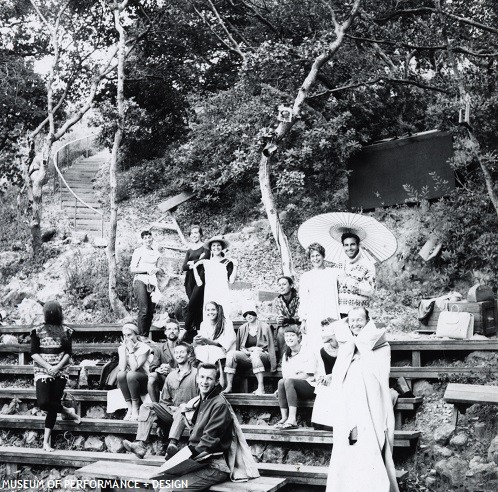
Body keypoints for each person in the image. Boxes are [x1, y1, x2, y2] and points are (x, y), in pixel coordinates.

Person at [326, 307, 398, 492]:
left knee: (369, 441)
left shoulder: (380, 344)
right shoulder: (346, 345)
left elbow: (381, 374)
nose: (355, 324)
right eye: (352, 320)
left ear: (367, 321)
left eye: (360, 320)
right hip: (349, 405)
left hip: (371, 403)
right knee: (347, 443)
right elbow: (339, 372)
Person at [158, 363, 259, 492]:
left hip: (214, 466)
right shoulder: (198, 401)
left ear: (216, 382)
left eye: (209, 378)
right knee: (159, 483)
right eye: (202, 377)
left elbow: (208, 443)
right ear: (197, 379)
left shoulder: (219, 405)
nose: (204, 382)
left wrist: (183, 457)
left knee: (170, 489)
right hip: (198, 462)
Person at [122, 342, 197, 459]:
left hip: (191, 413)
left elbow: (202, 399)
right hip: (173, 412)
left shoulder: (197, 374)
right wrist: (161, 423)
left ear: (189, 354)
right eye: (176, 352)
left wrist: (188, 407)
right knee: (147, 406)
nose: (179, 355)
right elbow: (165, 402)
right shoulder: (171, 376)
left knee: (182, 409)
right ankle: (141, 445)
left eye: (182, 352)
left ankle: (172, 445)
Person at [30, 300, 80, 452]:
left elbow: (68, 354)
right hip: (42, 371)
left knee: (52, 405)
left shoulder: (66, 331)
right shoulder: (37, 331)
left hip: (60, 371)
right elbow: (34, 353)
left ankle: (46, 443)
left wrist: (57, 367)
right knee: (44, 403)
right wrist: (48, 367)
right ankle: (68, 411)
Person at [274, 326, 322, 430]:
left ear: (299, 337)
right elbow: (285, 376)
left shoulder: (308, 351)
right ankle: (284, 418)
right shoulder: (286, 355)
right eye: (286, 336)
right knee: (281, 382)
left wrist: (294, 376)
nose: (289, 338)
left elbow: (308, 374)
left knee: (289, 381)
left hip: (311, 385)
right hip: (293, 386)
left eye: (292, 335)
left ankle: (292, 419)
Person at [224, 307, 277, 395]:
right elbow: (238, 347)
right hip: (247, 355)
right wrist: (244, 351)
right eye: (246, 315)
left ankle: (261, 387)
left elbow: (271, 346)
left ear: (256, 315)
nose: (249, 316)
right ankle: (229, 386)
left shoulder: (265, 327)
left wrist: (273, 365)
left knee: (255, 355)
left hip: (263, 355)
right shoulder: (242, 328)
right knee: (231, 354)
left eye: (251, 314)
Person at [298, 243, 339, 352]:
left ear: (323, 256)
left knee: (330, 344)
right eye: (312, 256)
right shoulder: (306, 277)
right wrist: (303, 320)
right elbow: (303, 299)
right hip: (313, 315)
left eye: (318, 255)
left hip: (330, 312)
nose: (315, 259)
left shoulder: (333, 273)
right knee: (314, 344)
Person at [331, 232, 376, 317]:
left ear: (358, 245)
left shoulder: (368, 265)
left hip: (359, 313)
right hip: (339, 313)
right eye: (346, 245)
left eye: (352, 244)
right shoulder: (338, 265)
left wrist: (346, 280)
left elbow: (370, 290)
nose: (349, 248)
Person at [193, 235, 238, 316]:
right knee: (210, 315)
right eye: (213, 245)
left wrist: (235, 266)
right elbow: (199, 283)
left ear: (222, 247)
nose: (216, 248)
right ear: (210, 248)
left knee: (223, 314)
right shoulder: (206, 263)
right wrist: (194, 268)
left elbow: (231, 281)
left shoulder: (227, 262)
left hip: (222, 292)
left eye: (218, 245)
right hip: (209, 293)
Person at [130, 230, 162, 336]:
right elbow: (132, 269)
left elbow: (159, 268)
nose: (148, 239)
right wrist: (146, 270)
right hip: (140, 280)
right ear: (142, 240)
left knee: (150, 310)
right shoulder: (138, 251)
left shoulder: (156, 253)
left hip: (152, 282)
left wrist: (157, 270)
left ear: (152, 238)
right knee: (144, 309)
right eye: (145, 238)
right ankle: (141, 336)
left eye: (149, 237)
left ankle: (146, 335)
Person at [182, 224, 211, 343]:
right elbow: (184, 267)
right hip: (189, 280)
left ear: (200, 234)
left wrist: (192, 263)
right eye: (192, 233)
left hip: (201, 278)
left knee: (193, 304)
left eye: (196, 232)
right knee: (196, 306)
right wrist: (198, 260)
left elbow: (206, 260)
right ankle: (199, 332)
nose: (194, 235)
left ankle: (185, 330)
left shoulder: (205, 248)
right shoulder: (189, 250)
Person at [117, 323, 151, 421]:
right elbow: (122, 368)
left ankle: (136, 407)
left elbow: (134, 368)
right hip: (130, 381)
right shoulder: (122, 348)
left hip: (144, 380)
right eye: (124, 335)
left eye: (129, 335)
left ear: (136, 335)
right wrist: (123, 351)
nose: (126, 338)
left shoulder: (144, 348)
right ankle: (130, 408)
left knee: (131, 374)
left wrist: (131, 351)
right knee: (121, 374)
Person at [193, 302, 236, 368]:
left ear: (218, 310)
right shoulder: (204, 324)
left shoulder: (227, 323)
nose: (210, 312)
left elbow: (223, 343)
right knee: (200, 350)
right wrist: (197, 340)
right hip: (209, 349)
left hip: (224, 350)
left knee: (213, 351)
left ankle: (214, 374)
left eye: (213, 310)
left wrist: (206, 340)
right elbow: (203, 341)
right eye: (208, 310)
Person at [148, 320, 180, 402]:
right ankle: (156, 407)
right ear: (165, 332)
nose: (172, 331)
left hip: (181, 380)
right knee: (152, 377)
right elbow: (152, 366)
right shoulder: (159, 348)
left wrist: (172, 371)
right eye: (169, 329)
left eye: (175, 329)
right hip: (165, 380)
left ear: (179, 332)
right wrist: (158, 369)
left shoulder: (186, 347)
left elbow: (192, 368)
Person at [271, 276, 300, 366]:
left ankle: (298, 358)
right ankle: (283, 359)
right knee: (281, 331)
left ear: (291, 285)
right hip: (284, 326)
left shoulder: (299, 298)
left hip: (298, 324)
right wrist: (278, 319)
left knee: (294, 330)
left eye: (284, 284)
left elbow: (300, 315)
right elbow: (275, 315)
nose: (281, 287)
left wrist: (288, 319)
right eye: (279, 285)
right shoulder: (277, 300)